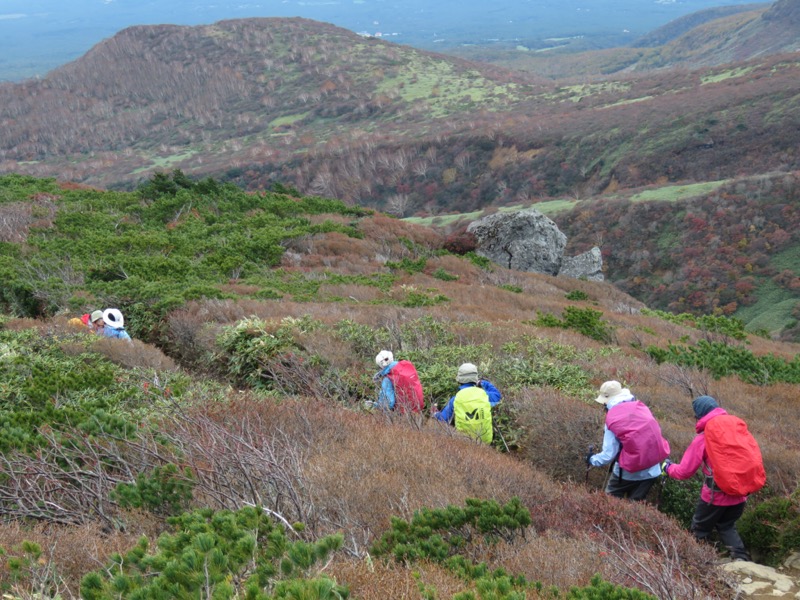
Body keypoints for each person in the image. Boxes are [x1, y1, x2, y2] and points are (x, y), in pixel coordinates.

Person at [663, 395, 752, 561]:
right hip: (740, 494)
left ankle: (695, 565)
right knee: (726, 525)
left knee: (699, 530)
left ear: (699, 416)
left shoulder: (704, 437)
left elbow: (684, 472)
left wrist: (667, 468)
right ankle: (742, 561)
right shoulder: (738, 430)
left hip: (715, 496)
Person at [588, 380, 670, 501]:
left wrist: (591, 459)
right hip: (652, 471)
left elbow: (608, 455)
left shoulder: (612, 418)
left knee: (608, 505)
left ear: (607, 401)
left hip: (626, 474)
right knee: (635, 510)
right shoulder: (640, 407)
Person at [433, 363, 501, 444]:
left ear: (459, 379)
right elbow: (497, 396)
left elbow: (442, 420)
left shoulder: (455, 399)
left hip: (464, 443)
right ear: (475, 379)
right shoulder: (485, 395)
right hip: (486, 441)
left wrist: (435, 414)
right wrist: (483, 383)